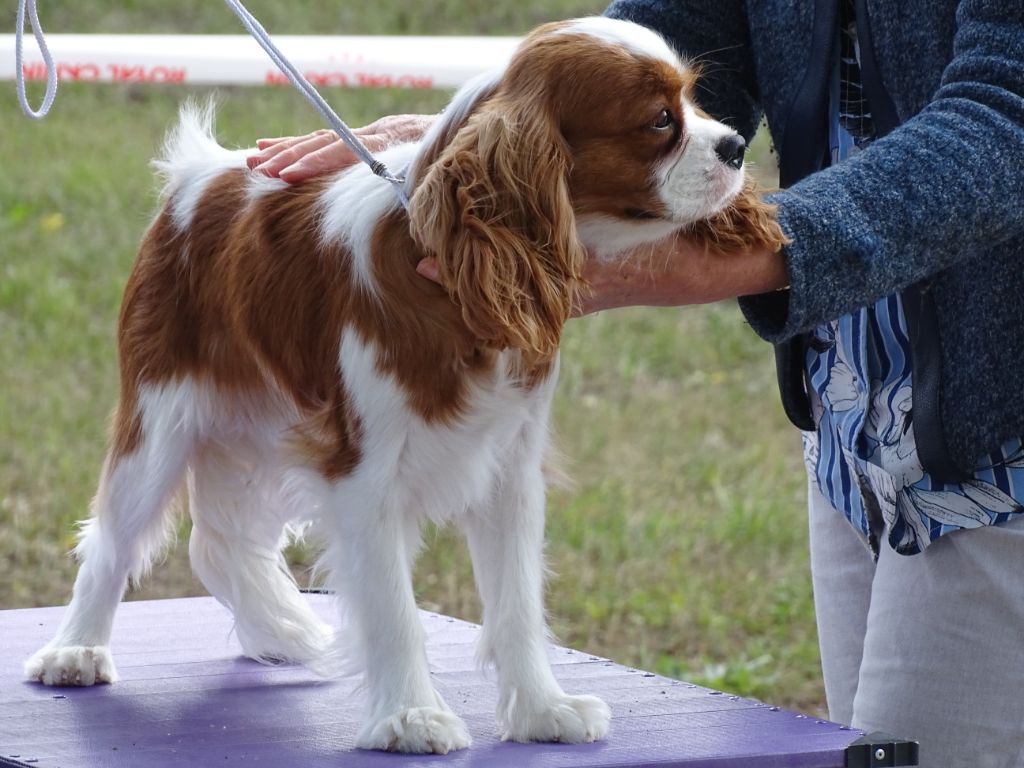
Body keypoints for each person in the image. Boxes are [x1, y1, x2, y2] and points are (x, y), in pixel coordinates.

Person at [248, 2, 1024, 764]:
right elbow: (684, 28)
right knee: (866, 746)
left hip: (997, 445)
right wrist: (485, 138)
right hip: (849, 418)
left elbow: (1006, 116)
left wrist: (740, 255)